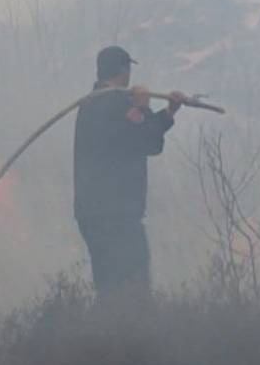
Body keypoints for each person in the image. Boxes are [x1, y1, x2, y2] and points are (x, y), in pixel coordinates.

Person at [73, 46, 185, 297]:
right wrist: (143, 106)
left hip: (94, 213)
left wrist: (168, 112)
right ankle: (130, 333)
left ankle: (105, 333)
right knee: (133, 285)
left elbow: (136, 135)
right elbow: (149, 143)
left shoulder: (96, 103)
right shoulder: (114, 105)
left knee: (109, 286)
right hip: (116, 215)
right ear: (124, 70)